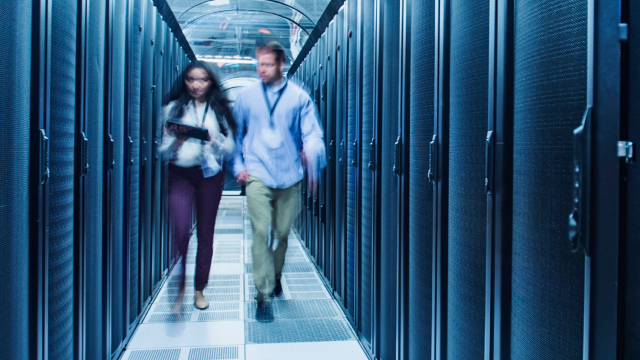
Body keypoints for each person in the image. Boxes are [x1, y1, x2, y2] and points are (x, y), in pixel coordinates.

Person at [232, 42, 326, 321]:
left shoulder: (299, 98)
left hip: (290, 175)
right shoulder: (247, 97)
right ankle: (262, 294)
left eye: (268, 64)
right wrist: (238, 166)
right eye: (259, 64)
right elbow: (235, 134)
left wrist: (313, 165)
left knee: (282, 234)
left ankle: (275, 274)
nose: (261, 69)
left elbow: (312, 134)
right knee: (261, 232)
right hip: (257, 173)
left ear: (281, 65)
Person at [160, 60, 236, 310]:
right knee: (181, 232)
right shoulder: (173, 108)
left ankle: (198, 289)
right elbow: (162, 150)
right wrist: (177, 142)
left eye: (202, 79)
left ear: (210, 81)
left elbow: (231, 147)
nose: (196, 85)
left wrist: (214, 140)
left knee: (206, 234)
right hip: (180, 174)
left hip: (210, 176)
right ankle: (180, 283)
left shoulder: (219, 110)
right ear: (185, 81)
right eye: (191, 79)